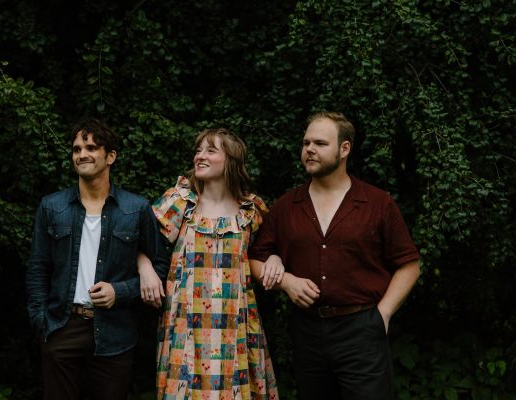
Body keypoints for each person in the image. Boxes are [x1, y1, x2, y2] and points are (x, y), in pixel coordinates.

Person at [248, 112, 421, 400]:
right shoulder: (287, 206)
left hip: (361, 328)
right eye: (306, 143)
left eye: (320, 143)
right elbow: (255, 260)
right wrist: (286, 281)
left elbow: (409, 265)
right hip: (306, 331)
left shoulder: (377, 203)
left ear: (344, 149)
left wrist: (382, 315)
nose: (309, 149)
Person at [26, 117, 169, 400]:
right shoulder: (52, 207)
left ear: (111, 156)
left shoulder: (136, 209)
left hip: (115, 332)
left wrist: (120, 291)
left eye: (91, 148)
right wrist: (41, 323)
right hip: (62, 327)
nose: (82, 154)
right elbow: (38, 268)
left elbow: (161, 267)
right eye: (77, 149)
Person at [137, 128, 280, 399]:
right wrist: (145, 269)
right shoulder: (181, 203)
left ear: (232, 161)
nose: (200, 156)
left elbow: (267, 249)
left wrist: (275, 257)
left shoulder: (251, 210)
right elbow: (139, 241)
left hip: (236, 320)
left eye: (211, 151)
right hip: (186, 320)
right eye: (198, 150)